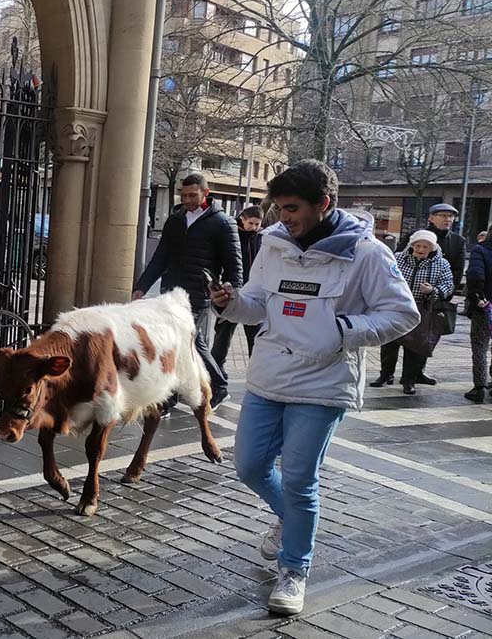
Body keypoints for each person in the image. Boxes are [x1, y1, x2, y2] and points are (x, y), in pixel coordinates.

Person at [211, 160, 418, 616]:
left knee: (302, 479)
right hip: (269, 376)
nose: (282, 217)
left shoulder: (368, 253)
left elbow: (403, 315)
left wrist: (342, 329)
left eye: (291, 208)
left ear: (324, 204)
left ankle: (294, 569)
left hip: (324, 383)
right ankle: (291, 521)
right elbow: (258, 305)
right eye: (278, 208)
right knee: (249, 465)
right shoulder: (272, 244)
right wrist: (232, 303)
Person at [133, 173, 242, 409]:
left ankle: (216, 387)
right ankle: (175, 395)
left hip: (198, 293)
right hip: (170, 292)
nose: (187, 200)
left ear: (206, 193)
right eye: (183, 195)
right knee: (178, 343)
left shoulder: (223, 223)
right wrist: (141, 286)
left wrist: (232, 296)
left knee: (190, 343)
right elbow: (160, 257)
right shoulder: (175, 220)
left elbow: (234, 264)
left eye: (192, 195)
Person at [370, 231, 454, 394]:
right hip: (395, 306)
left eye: (425, 246)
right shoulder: (398, 257)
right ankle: (385, 375)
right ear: (412, 245)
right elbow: (383, 275)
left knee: (415, 345)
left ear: (432, 248)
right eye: (418, 245)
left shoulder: (441, 263)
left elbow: (448, 284)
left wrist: (433, 290)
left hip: (420, 309)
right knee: (389, 343)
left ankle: (409, 380)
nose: (421, 249)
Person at [396, 203, 465, 384]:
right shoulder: (415, 236)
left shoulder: (458, 241)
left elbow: (456, 272)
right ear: (431, 217)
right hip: (406, 298)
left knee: (425, 337)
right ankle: (388, 373)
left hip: (434, 298)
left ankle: (417, 372)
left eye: (450, 217)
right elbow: (400, 257)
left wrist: (441, 294)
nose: (447, 219)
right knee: (396, 338)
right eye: (443, 215)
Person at [211, 205, 264, 371]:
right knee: (222, 340)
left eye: (257, 224)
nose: (254, 227)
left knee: (256, 341)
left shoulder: (261, 238)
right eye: (251, 223)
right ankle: (216, 379)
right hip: (231, 293)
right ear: (242, 218)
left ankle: (257, 373)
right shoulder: (231, 234)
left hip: (253, 294)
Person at [466, 231, 492, 402]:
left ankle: (480, 386)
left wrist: (478, 297)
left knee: (480, 346)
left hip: (486, 306)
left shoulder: (480, 250)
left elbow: (475, 275)